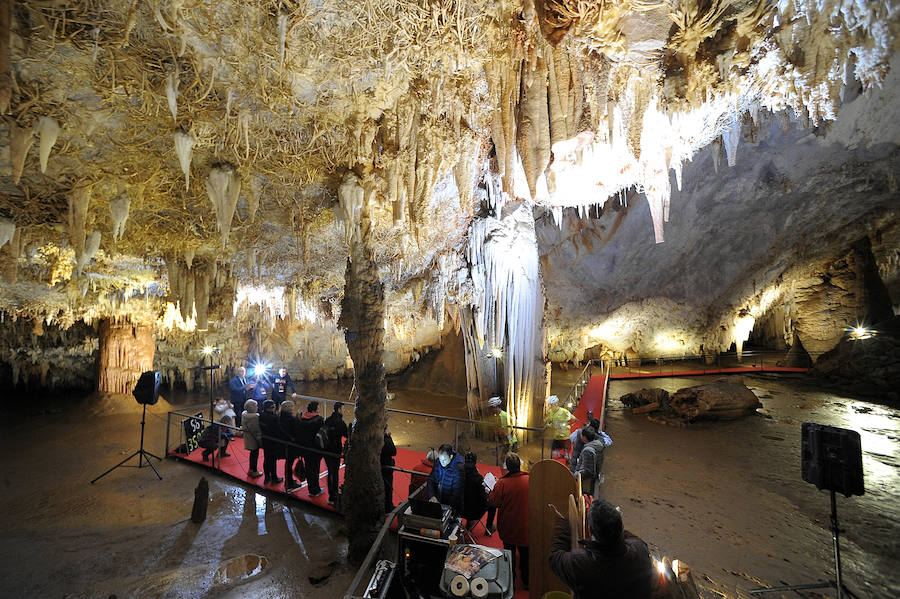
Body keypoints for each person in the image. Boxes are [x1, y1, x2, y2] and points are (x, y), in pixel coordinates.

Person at [548, 499, 654, 599]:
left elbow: (554, 556)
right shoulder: (641, 549)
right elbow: (628, 537)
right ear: (622, 526)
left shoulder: (581, 565)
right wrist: (613, 526)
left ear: (590, 531)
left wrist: (563, 523)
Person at [488, 453, 530, 590]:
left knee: (509, 554)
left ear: (507, 467)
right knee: (525, 555)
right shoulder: (530, 479)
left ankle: (510, 581)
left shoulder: (502, 483)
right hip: (526, 525)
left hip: (508, 526)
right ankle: (527, 581)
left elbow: (494, 501)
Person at [460, 452, 496, 535]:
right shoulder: (478, 478)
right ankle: (489, 527)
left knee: (469, 498)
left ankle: (469, 525)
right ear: (475, 463)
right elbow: (483, 499)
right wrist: (488, 493)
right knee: (492, 503)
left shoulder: (459, 474)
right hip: (473, 513)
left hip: (459, 510)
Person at [323, 401, 349, 506]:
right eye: (343, 409)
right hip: (335, 450)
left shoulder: (328, 420)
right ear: (339, 409)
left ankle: (331, 494)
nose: (343, 411)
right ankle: (333, 496)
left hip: (326, 449)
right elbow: (346, 434)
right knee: (335, 472)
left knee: (330, 472)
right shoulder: (340, 422)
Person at [297, 400, 325, 497]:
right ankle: (315, 490)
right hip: (315, 449)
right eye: (318, 407)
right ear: (315, 409)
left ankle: (311, 488)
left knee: (309, 468)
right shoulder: (319, 420)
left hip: (304, 448)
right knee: (315, 469)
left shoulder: (302, 418)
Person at [428, 443, 464, 511]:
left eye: (444, 460)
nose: (442, 462)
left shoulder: (458, 469)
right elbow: (431, 480)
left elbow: (457, 492)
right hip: (438, 502)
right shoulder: (438, 462)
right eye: (440, 459)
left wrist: (446, 506)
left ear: (450, 457)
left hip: (452, 507)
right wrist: (432, 496)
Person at [279, 400, 305, 492]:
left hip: (283, 443)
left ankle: (288, 480)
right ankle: (289, 482)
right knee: (289, 463)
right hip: (291, 444)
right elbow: (297, 429)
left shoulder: (280, 416)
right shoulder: (290, 419)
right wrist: (299, 417)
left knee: (288, 463)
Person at [574, 426, 607, 497]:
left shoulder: (588, 450)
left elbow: (588, 471)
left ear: (585, 438)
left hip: (587, 482)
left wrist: (576, 475)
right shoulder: (597, 445)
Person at [258, 399, 283, 484]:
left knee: (266, 459)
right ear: (271, 408)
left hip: (265, 439)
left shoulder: (261, 415)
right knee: (273, 460)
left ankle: (267, 477)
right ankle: (274, 478)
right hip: (273, 441)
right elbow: (279, 429)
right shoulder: (274, 417)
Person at [544, 395, 576, 460]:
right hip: (555, 435)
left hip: (565, 436)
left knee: (566, 454)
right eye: (549, 405)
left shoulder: (564, 411)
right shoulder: (550, 412)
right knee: (555, 455)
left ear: (556, 404)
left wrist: (567, 426)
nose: (550, 406)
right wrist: (549, 425)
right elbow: (548, 421)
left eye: (552, 405)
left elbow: (574, 419)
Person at [240, 399, 263, 477]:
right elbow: (256, 429)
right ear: (252, 408)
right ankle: (254, 471)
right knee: (254, 455)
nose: (257, 407)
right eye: (256, 406)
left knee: (252, 454)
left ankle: (251, 469)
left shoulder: (244, 414)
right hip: (253, 439)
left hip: (248, 437)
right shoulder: (255, 417)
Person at [381, 424, 397, 513]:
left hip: (379, 465)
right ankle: (387, 507)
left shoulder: (376, 437)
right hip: (386, 467)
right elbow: (393, 451)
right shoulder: (386, 440)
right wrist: (389, 437)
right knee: (387, 487)